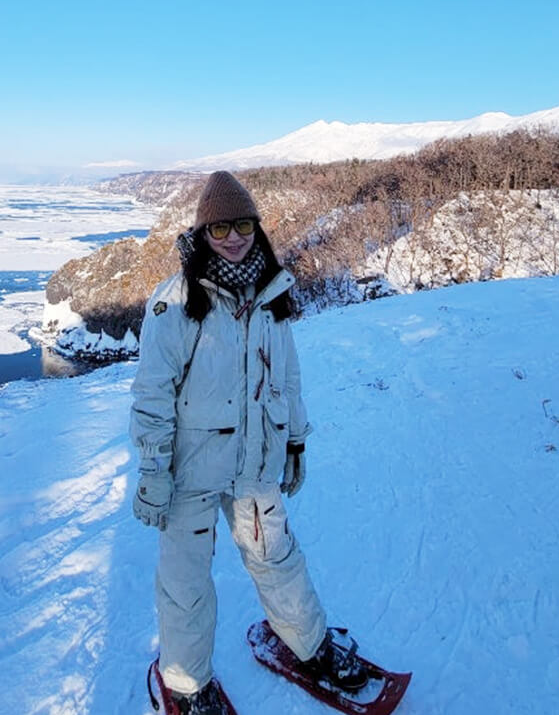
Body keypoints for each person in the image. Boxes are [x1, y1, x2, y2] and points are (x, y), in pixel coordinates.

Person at [130, 171, 366, 715]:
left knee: (277, 557)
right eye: (219, 228)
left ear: (255, 227)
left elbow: (287, 376)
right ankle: (187, 686)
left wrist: (296, 442)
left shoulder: (270, 294)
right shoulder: (177, 302)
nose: (233, 237)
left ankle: (309, 646)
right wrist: (152, 469)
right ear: (202, 232)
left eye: (242, 224)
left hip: (253, 464)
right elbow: (152, 394)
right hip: (189, 472)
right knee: (185, 583)